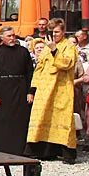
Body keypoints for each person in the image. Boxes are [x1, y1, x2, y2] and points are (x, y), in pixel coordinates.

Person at [25, 18, 77, 163]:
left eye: (57, 32)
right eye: (52, 32)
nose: (54, 35)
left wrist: (55, 49)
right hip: (44, 89)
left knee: (61, 118)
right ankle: (44, 151)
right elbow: (39, 68)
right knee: (42, 117)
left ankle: (67, 153)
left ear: (63, 31)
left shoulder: (69, 46)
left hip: (61, 88)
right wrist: (33, 88)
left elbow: (67, 63)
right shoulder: (46, 47)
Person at [0, 26, 34, 155]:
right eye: (9, 36)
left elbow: (30, 73)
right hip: (3, 89)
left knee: (20, 119)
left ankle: (21, 149)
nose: (12, 38)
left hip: (20, 88)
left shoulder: (23, 52)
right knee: (2, 119)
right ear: (2, 38)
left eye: (13, 35)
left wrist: (31, 91)